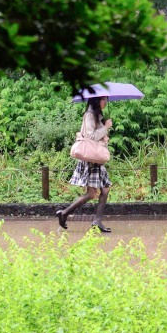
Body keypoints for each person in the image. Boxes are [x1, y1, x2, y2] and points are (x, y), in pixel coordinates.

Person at [56, 96, 113, 232]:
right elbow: (91, 137)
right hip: (91, 159)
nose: (105, 101)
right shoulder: (89, 115)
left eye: (106, 99)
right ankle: (64, 213)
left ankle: (96, 221)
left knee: (104, 189)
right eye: (103, 99)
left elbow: (97, 136)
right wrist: (105, 127)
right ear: (95, 100)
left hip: (96, 159)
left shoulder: (97, 115)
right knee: (92, 193)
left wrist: (104, 132)